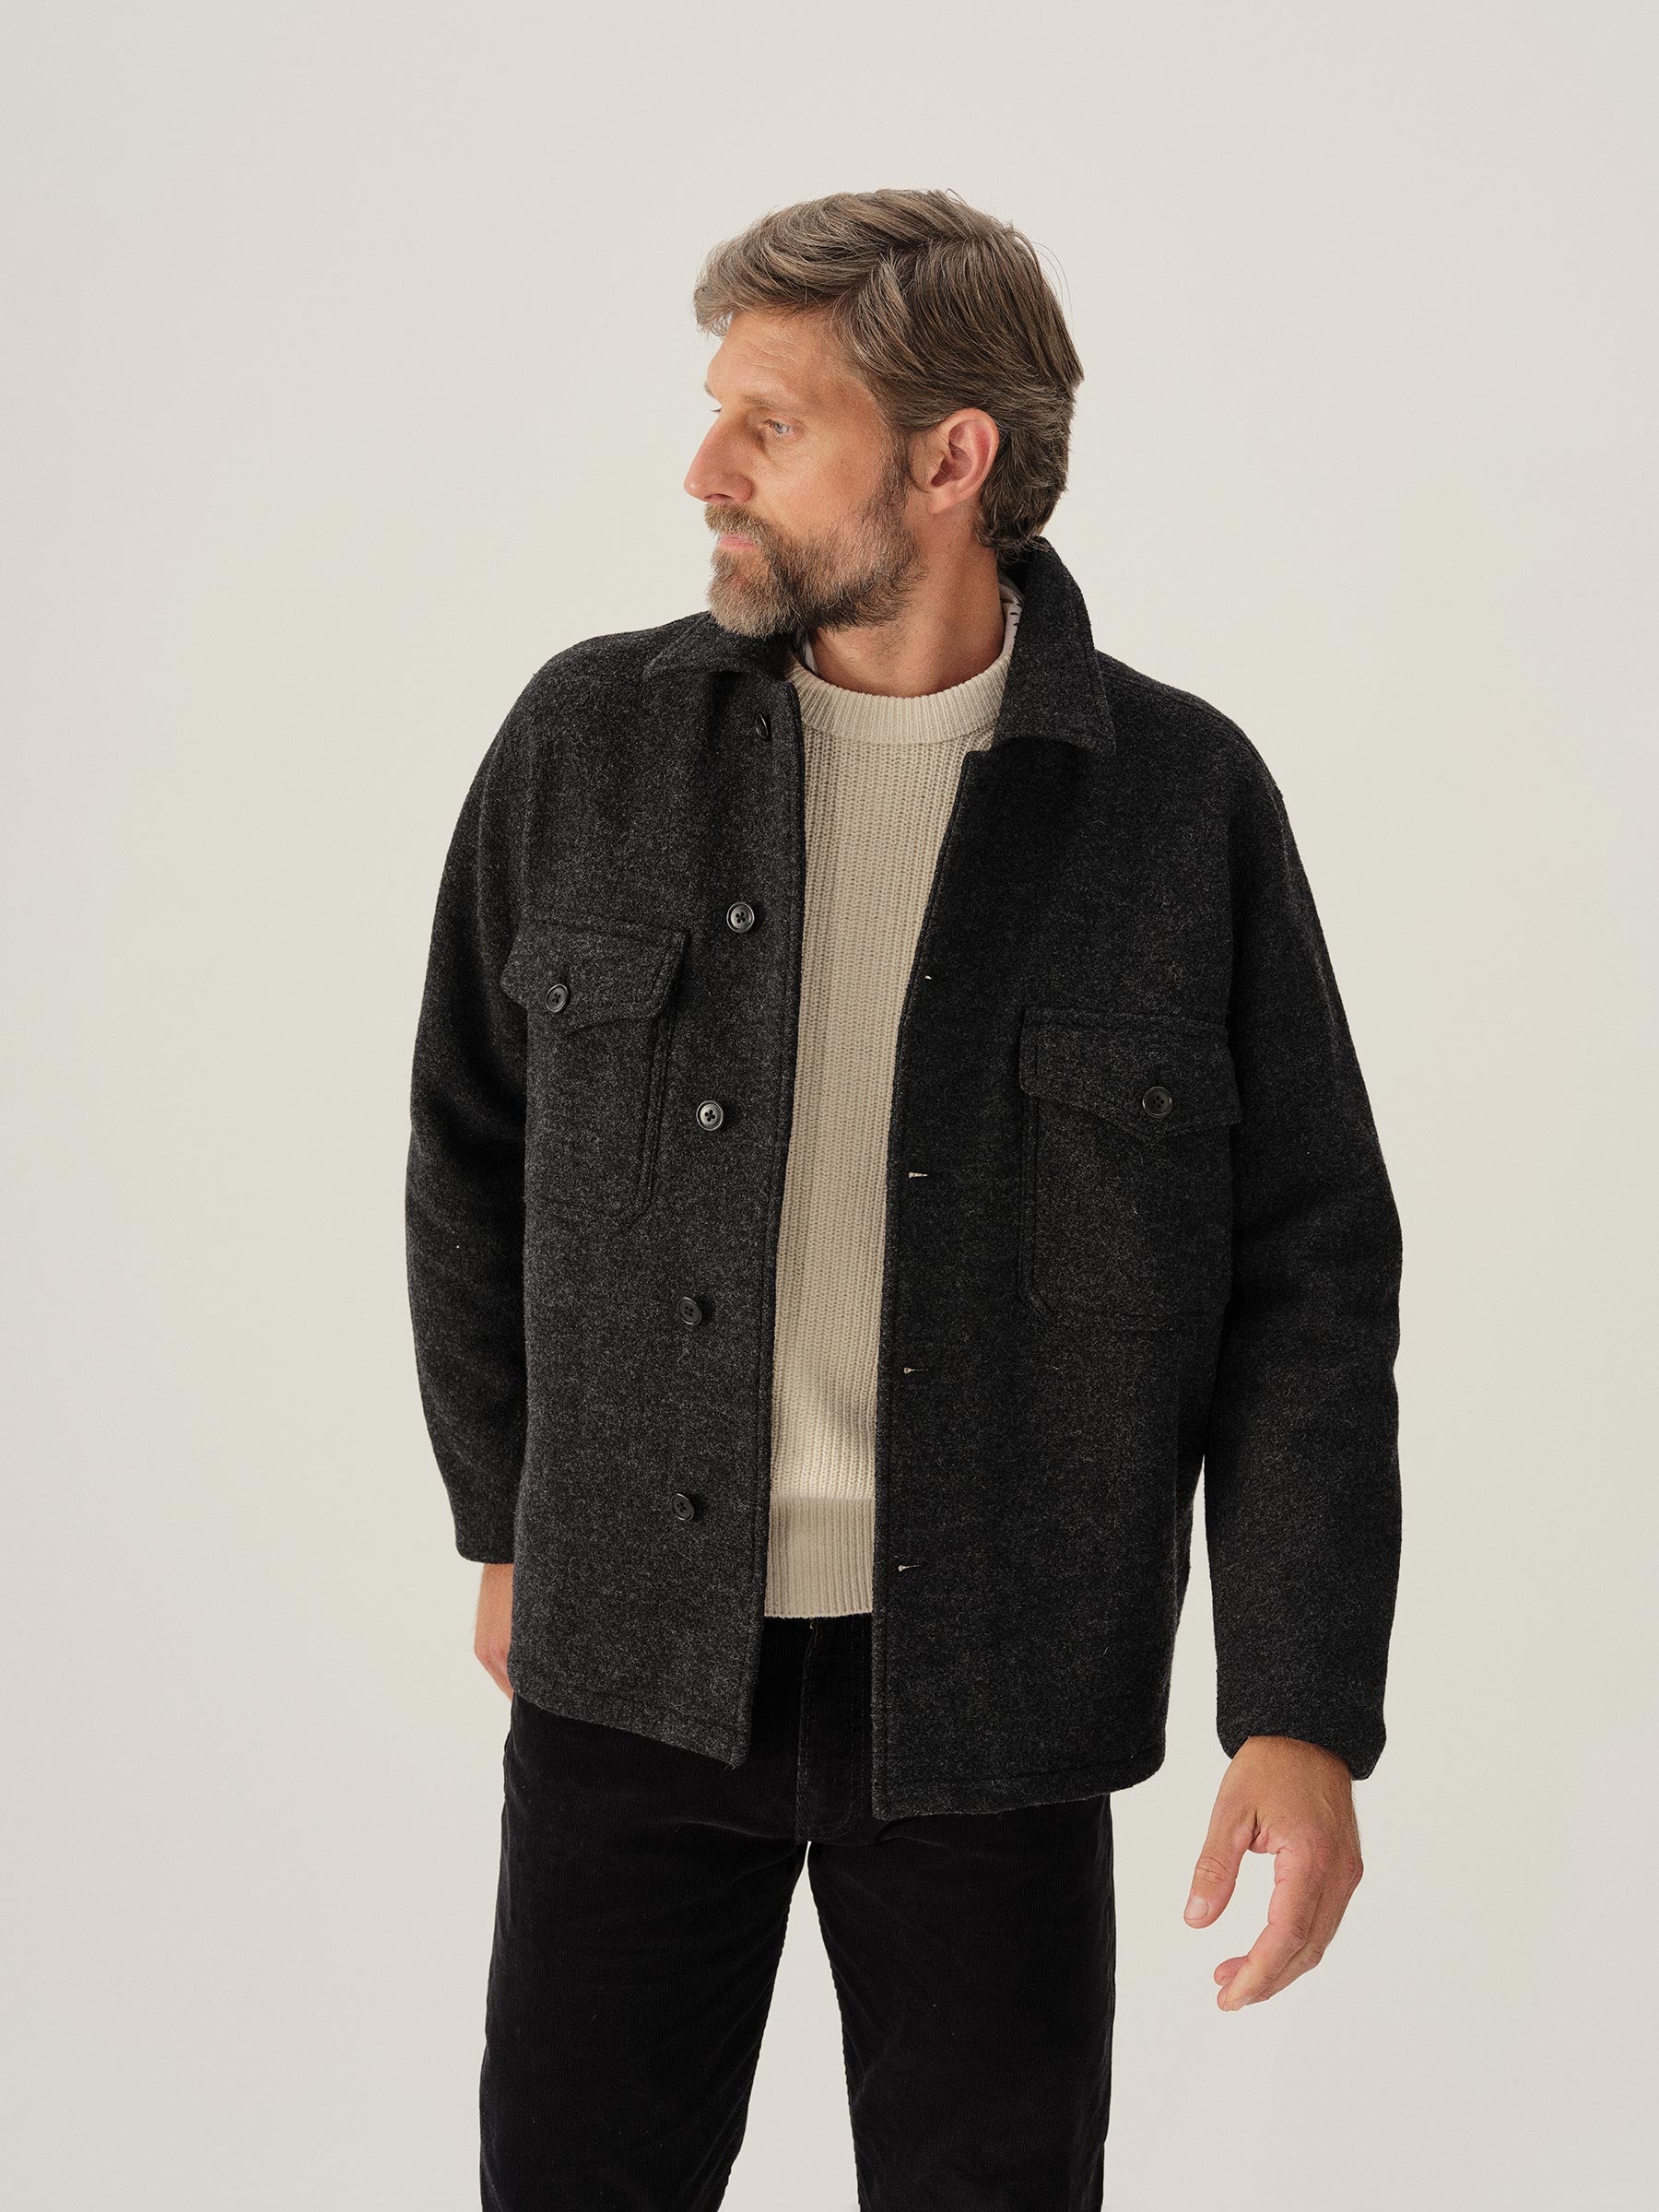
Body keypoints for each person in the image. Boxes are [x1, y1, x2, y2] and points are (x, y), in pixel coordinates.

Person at [405, 186, 1403, 2212]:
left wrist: (1301, 1705)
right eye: (718, 410)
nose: (705, 468)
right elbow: (468, 1141)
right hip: (630, 1662)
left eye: (770, 425)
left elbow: (1306, 1271)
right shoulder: (589, 743)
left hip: (996, 1689)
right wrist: (503, 1510)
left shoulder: (1179, 805)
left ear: (951, 463)